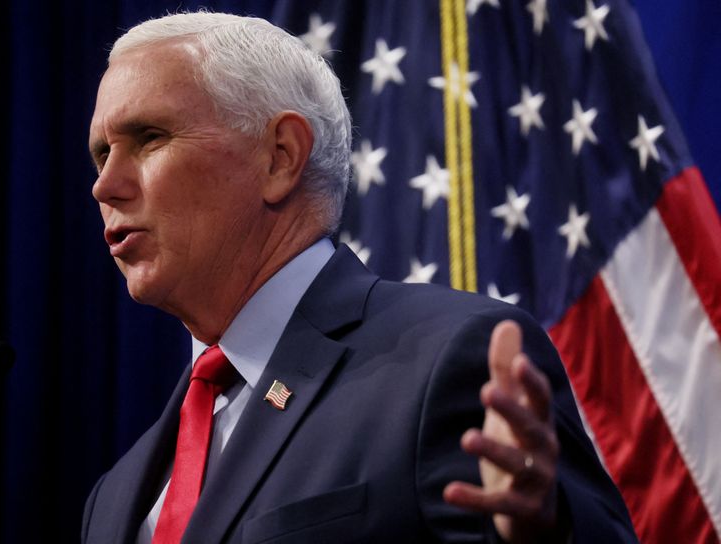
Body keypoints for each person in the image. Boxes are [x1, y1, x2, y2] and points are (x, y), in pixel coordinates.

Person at [82, 11, 638, 544]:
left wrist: (544, 534)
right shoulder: (116, 494)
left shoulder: (446, 364)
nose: (104, 186)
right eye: (102, 154)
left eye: (150, 137)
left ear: (280, 156)